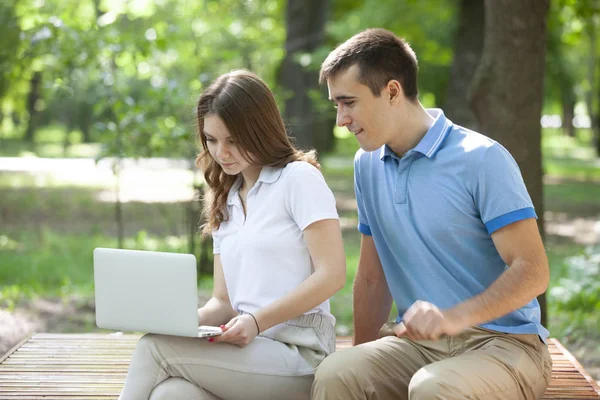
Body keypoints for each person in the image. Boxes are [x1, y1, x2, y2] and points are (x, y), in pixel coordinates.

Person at [311, 28, 552, 400]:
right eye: (336, 105)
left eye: (349, 102)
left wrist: (453, 318)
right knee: (337, 373)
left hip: (505, 346)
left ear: (392, 91)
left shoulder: (482, 158)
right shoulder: (367, 165)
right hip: (418, 346)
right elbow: (373, 279)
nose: (341, 119)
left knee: (433, 388)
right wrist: (362, 356)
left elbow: (533, 271)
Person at [118, 70, 346, 400]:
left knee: (155, 348)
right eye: (211, 140)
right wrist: (174, 323)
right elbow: (223, 303)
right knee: (172, 394)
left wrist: (255, 321)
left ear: (260, 130)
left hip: (301, 353)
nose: (221, 152)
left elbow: (332, 275)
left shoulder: (298, 179)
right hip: (247, 350)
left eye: (233, 140)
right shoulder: (225, 197)